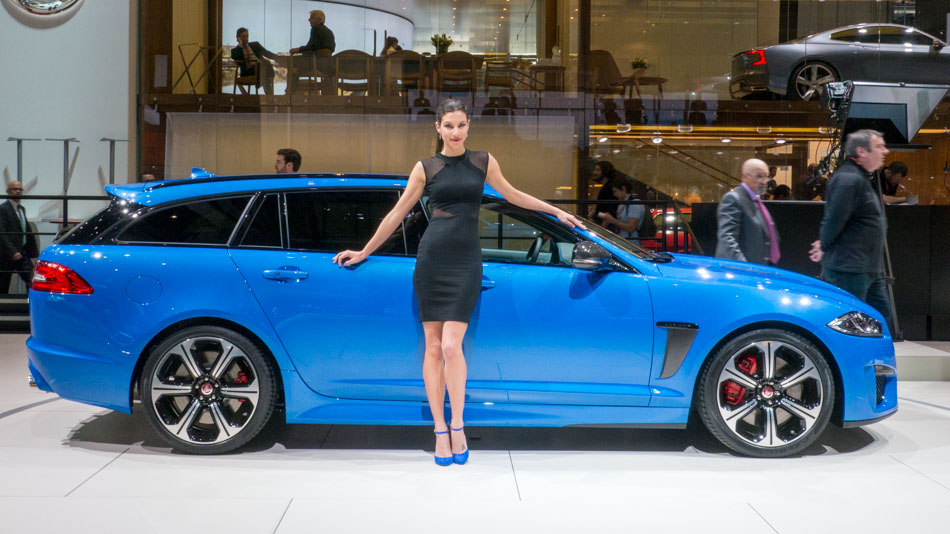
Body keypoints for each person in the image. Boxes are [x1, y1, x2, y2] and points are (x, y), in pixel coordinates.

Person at [332, 99, 584, 466]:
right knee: (432, 348)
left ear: (469, 126)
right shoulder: (426, 167)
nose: (456, 132)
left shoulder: (483, 161)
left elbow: (512, 195)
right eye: (449, 125)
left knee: (452, 346)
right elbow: (398, 213)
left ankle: (458, 424)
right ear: (438, 128)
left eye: (461, 125)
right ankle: (439, 429)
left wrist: (556, 210)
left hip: (466, 261)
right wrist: (365, 251)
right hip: (432, 259)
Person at [809, 129, 891, 325]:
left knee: (878, 320)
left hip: (867, 268)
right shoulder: (848, 179)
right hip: (849, 270)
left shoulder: (859, 178)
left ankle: (870, 356)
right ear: (862, 152)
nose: (885, 151)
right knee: (851, 324)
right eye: (879, 146)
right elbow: (834, 220)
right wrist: (824, 246)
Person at [715, 158, 781, 266]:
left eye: (766, 176)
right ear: (745, 176)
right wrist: (745, 268)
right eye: (759, 176)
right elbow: (727, 238)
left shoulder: (756, 200)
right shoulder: (733, 198)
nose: (764, 181)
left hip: (761, 268)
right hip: (743, 272)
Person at [0, 181, 39, 293]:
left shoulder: (21, 209)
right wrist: (12, 251)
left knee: (31, 279)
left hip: (22, 252)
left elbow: (26, 230)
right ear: (8, 192)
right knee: (3, 283)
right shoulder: (3, 209)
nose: (18, 191)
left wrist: (33, 251)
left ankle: (31, 304)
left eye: (20, 189)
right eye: (14, 189)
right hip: (7, 254)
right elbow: (1, 233)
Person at [288, 10, 335, 93]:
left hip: (315, 63)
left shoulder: (316, 28)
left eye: (311, 18)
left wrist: (298, 49)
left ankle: (290, 92)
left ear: (319, 20)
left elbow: (312, 47)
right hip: (327, 65)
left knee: (291, 65)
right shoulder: (329, 31)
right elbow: (332, 49)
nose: (309, 20)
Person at [231, 27, 279, 95]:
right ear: (238, 38)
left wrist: (277, 58)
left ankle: (266, 91)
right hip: (248, 71)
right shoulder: (235, 50)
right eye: (243, 36)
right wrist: (240, 45)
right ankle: (269, 95)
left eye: (247, 36)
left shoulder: (255, 45)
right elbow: (235, 57)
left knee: (265, 66)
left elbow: (266, 53)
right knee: (264, 68)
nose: (246, 38)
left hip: (261, 69)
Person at [588, 160, 617, 228]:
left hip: (606, 226)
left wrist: (602, 227)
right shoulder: (605, 186)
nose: (594, 172)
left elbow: (610, 210)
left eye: (598, 170)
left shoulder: (610, 188)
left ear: (605, 171)